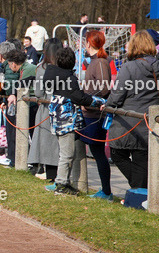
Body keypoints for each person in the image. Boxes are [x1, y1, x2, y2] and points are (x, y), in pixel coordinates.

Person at [105, 31, 159, 190]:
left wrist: (106, 106)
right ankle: (141, 193)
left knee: (117, 154)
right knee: (140, 160)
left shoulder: (129, 67)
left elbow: (118, 94)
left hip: (127, 122)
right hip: (148, 122)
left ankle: (139, 192)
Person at [44, 46, 105, 194]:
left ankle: (63, 181)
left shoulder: (53, 74)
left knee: (65, 152)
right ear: (72, 61)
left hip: (58, 119)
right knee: (67, 153)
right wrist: (99, 101)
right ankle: (61, 185)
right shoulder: (68, 78)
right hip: (66, 121)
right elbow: (80, 97)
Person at [78, 29, 115, 199]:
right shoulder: (93, 62)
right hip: (88, 113)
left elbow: (105, 88)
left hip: (95, 115)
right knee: (94, 151)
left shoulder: (100, 62)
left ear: (89, 43)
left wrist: (90, 102)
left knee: (98, 152)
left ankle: (106, 191)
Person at [28, 39, 63, 181]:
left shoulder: (42, 68)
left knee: (47, 143)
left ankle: (51, 175)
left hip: (47, 108)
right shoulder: (66, 66)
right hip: (63, 108)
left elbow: (38, 92)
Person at [2, 47, 37, 167]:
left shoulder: (28, 69)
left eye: (9, 65)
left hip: (32, 105)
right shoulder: (24, 69)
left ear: (12, 64)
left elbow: (22, 85)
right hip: (29, 104)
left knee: (32, 133)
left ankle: (30, 161)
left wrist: (12, 93)